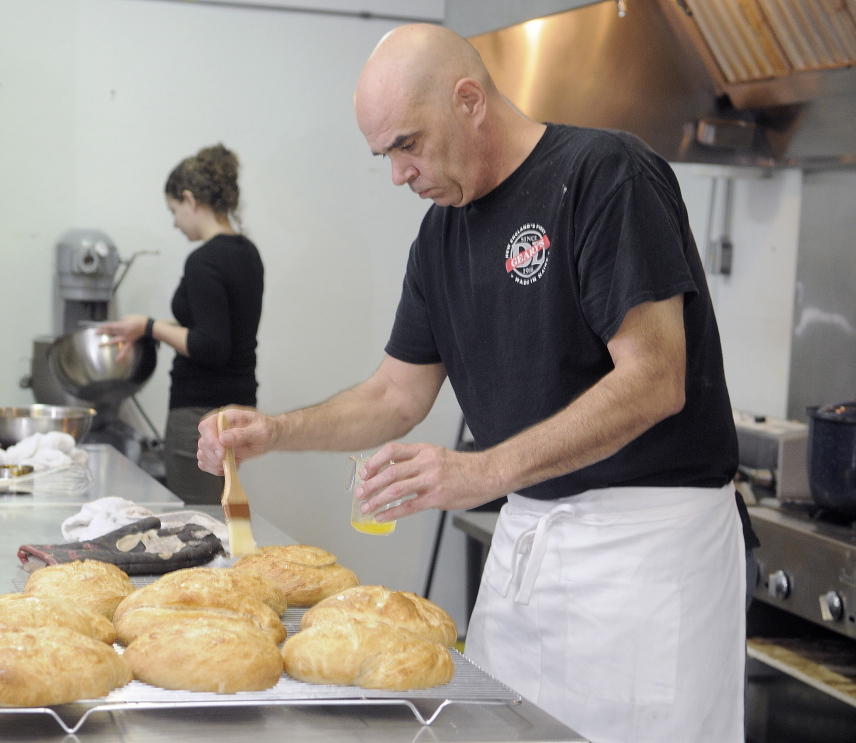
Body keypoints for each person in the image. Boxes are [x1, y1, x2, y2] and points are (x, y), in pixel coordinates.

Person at [197, 24, 756, 742]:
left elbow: (654, 379)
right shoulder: (441, 236)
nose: (399, 173)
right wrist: (275, 430)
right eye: (385, 155)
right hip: (529, 543)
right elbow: (395, 395)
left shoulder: (602, 173)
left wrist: (481, 471)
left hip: (642, 553)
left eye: (407, 143)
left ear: (468, 100)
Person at [99, 144, 263, 505]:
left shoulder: (204, 261)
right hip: (239, 409)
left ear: (190, 200)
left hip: (199, 416)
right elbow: (218, 328)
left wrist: (150, 325)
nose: (174, 222)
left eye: (174, 210)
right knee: (217, 513)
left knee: (200, 524)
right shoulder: (248, 254)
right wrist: (147, 328)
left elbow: (210, 345)